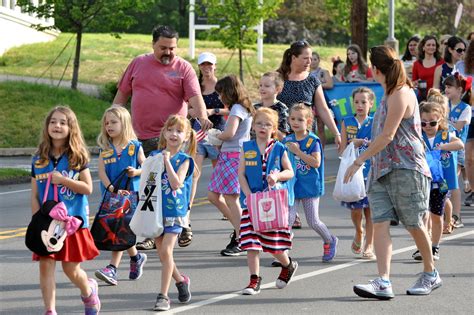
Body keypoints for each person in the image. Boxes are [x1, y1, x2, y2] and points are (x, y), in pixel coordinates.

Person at [344, 45, 441, 300]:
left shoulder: (400, 93)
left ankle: (431, 273)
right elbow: (382, 135)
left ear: (376, 70)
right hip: (382, 169)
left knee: (414, 223)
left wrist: (358, 162)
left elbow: (388, 136)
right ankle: (383, 281)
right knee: (380, 222)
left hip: (406, 168)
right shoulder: (387, 93)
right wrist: (366, 154)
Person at [113, 25, 212, 251]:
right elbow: (121, 96)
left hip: (174, 138)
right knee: (150, 186)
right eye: (163, 48)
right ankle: (151, 231)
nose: (168, 52)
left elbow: (196, 98)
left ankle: (182, 223)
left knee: (177, 185)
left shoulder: (184, 68)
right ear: (153, 44)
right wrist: (111, 121)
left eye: (172, 48)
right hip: (143, 138)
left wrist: (203, 116)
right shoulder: (138, 63)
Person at [31, 106, 100, 315]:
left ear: (71, 128)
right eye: (53, 122)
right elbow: (34, 195)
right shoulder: (38, 158)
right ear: (47, 126)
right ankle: (50, 310)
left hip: (72, 223)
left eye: (62, 122)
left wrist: (65, 180)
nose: (57, 126)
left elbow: (88, 188)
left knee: (70, 269)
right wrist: (37, 221)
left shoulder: (77, 157)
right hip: (47, 225)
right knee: (45, 265)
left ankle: (88, 291)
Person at [277, 40, 342, 230]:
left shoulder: (312, 79)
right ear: (293, 57)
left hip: (305, 138)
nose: (309, 61)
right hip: (283, 136)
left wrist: (336, 132)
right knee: (284, 173)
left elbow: (322, 108)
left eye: (311, 58)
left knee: (303, 174)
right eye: (305, 58)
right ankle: (291, 212)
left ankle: (302, 213)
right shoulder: (280, 77)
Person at [238, 108, 297, 295]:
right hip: (252, 202)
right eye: (259, 123)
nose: (263, 127)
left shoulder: (279, 148)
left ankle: (288, 264)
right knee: (251, 242)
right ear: (253, 125)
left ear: (274, 129)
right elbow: (241, 173)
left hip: (272, 203)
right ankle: (254, 280)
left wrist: (277, 176)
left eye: (268, 124)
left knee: (272, 244)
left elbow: (290, 172)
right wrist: (248, 195)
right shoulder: (246, 147)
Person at [147, 115, 196, 311]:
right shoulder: (155, 155)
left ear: (186, 137)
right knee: (162, 253)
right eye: (170, 130)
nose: (174, 134)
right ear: (165, 132)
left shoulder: (185, 160)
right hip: (157, 210)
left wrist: (167, 162)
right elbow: (147, 178)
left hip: (175, 211)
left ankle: (163, 296)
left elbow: (176, 183)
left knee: (166, 251)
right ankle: (180, 280)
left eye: (179, 131)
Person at [94, 107, 147, 286]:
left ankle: (112, 269)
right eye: (106, 123)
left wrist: (136, 171)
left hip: (130, 196)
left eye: (113, 122)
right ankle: (136, 258)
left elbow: (147, 167)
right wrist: (110, 187)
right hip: (111, 196)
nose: (109, 126)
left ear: (124, 124)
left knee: (119, 230)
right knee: (120, 230)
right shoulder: (105, 149)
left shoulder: (134, 146)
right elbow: (101, 171)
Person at [283, 104, 338, 262]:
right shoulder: (287, 140)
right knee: (288, 219)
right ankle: (283, 251)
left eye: (300, 119)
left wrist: (298, 152)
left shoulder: (312, 141)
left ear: (308, 122)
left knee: (313, 221)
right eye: (292, 119)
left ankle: (329, 240)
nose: (295, 122)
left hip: (309, 186)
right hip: (292, 186)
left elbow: (316, 163)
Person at [184, 52, 229, 246]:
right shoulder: (196, 87)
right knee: (194, 173)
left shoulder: (221, 87)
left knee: (220, 172)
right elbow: (186, 108)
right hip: (197, 133)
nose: (206, 68)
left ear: (215, 65)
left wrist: (212, 111)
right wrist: (195, 112)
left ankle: (227, 207)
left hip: (217, 134)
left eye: (210, 64)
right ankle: (186, 211)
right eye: (203, 65)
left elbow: (232, 108)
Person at [207, 75, 254, 256]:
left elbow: (230, 133)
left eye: (220, 93)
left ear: (228, 91)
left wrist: (216, 135)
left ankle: (242, 236)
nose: (219, 97)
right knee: (213, 195)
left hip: (234, 156)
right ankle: (239, 228)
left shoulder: (237, 108)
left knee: (231, 198)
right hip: (228, 155)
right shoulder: (240, 107)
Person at [411, 101, 463, 261]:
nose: (428, 126)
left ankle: (434, 246)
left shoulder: (445, 135)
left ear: (440, 120)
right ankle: (424, 246)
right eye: (424, 123)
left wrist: (443, 147)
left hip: (440, 183)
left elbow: (459, 144)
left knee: (436, 215)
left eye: (432, 123)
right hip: (422, 181)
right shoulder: (418, 136)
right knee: (423, 215)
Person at [339, 87, 375, 260]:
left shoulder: (375, 122)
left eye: (363, 102)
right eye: (356, 102)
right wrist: (353, 144)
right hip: (354, 170)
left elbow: (380, 144)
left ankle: (369, 245)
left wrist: (368, 144)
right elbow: (341, 150)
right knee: (356, 210)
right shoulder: (347, 121)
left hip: (371, 169)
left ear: (371, 104)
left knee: (371, 211)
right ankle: (359, 231)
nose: (360, 105)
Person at [445, 73, 472, 228]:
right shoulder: (444, 104)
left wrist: (443, 120)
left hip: (457, 148)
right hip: (443, 148)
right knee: (445, 183)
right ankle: (447, 214)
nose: (446, 89)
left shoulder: (465, 108)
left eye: (450, 87)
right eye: (445, 87)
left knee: (453, 182)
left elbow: (459, 127)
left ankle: (456, 215)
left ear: (459, 89)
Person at [454, 40, 474, 207]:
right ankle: (473, 191)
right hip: (468, 114)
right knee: (468, 158)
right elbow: (454, 84)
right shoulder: (461, 66)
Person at [254, 71, 290, 140]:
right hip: (254, 147)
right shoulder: (255, 108)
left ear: (277, 89)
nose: (262, 88)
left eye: (267, 86)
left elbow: (283, 136)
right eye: (260, 85)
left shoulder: (282, 109)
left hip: (273, 147)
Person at [311, 51, 334, 148]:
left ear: (319, 60)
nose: (313, 62)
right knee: (310, 128)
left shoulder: (324, 72)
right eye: (311, 59)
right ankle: (311, 150)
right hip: (310, 103)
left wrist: (317, 84)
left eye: (315, 59)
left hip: (321, 102)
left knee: (320, 127)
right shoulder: (305, 73)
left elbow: (329, 84)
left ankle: (321, 151)